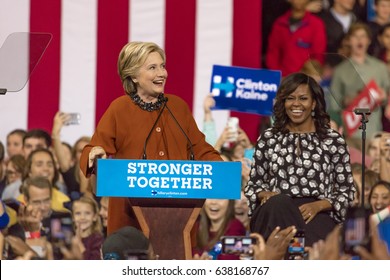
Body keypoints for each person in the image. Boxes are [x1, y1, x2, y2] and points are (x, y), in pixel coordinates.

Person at [79, 41, 221, 234]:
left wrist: (224, 171)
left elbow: (201, 150)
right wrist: (94, 155)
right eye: (152, 68)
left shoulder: (177, 107)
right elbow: (92, 150)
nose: (161, 73)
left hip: (178, 218)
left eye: (162, 66)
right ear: (133, 75)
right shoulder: (119, 108)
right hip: (130, 219)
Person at [245, 72, 356, 247]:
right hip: (275, 212)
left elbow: (346, 191)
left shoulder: (332, 140)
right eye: (290, 98)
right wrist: (265, 194)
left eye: (303, 98)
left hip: (316, 213)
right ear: (283, 103)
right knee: (279, 203)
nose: (296, 104)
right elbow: (253, 185)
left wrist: (317, 206)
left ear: (313, 103)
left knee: (313, 242)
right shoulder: (269, 138)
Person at [265, 0, 326, 77]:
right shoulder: (279, 24)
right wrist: (276, 76)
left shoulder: (316, 24)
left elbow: (318, 56)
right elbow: (273, 54)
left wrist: (309, 78)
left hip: (305, 79)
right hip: (283, 79)